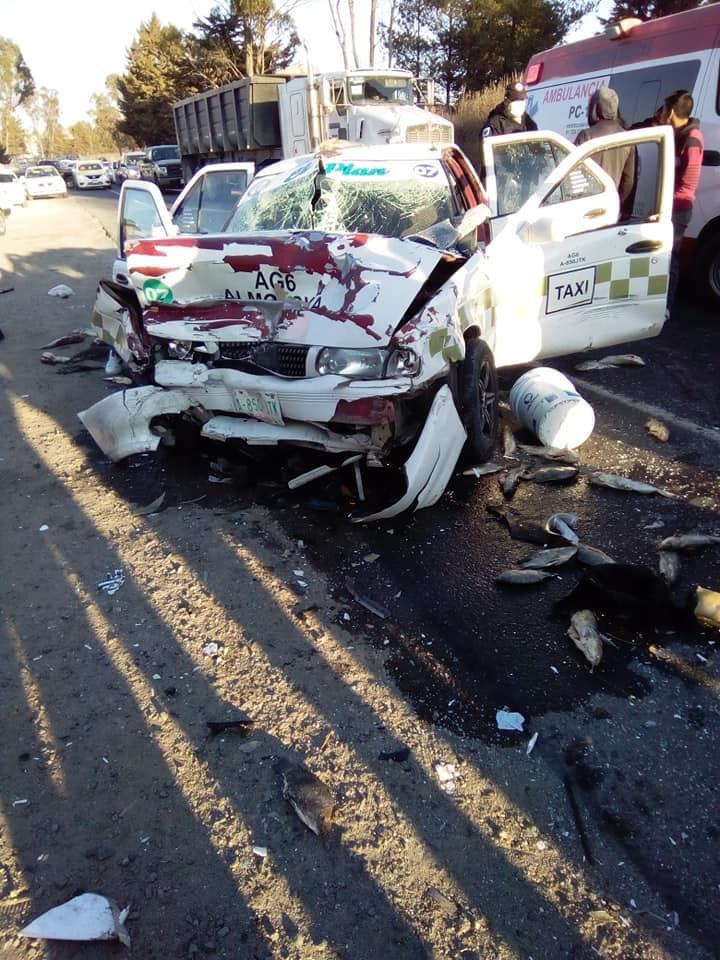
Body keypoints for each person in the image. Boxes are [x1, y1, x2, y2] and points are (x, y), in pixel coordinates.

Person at [661, 89, 704, 315]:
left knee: (670, 258)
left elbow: (688, 186)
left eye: (665, 109)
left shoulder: (691, 140)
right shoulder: (676, 136)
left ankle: (666, 306)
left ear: (672, 112)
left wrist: (664, 202)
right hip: (668, 206)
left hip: (678, 209)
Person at [574, 86, 636, 216]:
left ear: (594, 108)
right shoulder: (628, 139)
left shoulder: (586, 135)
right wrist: (618, 204)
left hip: (586, 209)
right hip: (610, 209)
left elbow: (572, 174)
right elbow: (628, 181)